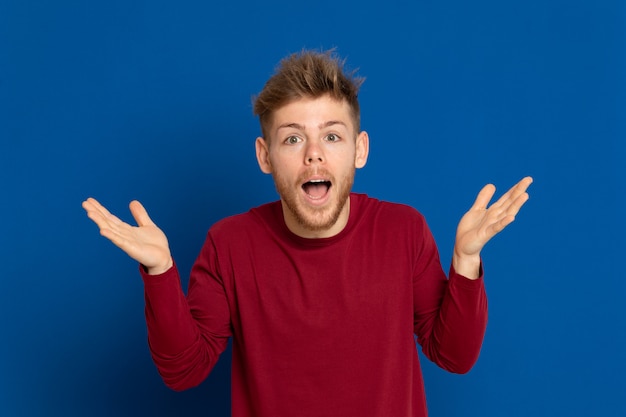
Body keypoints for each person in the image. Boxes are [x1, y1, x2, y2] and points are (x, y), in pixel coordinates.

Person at [82, 49, 532, 417]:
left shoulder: (403, 231)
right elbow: (184, 371)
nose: (314, 156)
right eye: (293, 139)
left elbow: (453, 354)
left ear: (360, 150)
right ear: (265, 156)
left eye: (332, 137)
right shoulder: (229, 244)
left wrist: (466, 262)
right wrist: (160, 271)